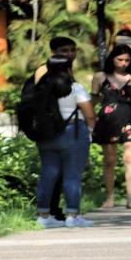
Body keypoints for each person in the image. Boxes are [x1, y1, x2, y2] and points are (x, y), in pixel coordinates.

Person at [34, 56, 96, 228]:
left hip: (46, 135)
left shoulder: (40, 88)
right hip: (72, 133)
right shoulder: (75, 88)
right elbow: (89, 114)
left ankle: (43, 216)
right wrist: (90, 132)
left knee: (47, 174)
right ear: (69, 69)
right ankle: (72, 215)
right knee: (72, 175)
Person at [91, 45, 131, 209]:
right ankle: (110, 198)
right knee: (110, 160)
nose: (123, 63)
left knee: (130, 157)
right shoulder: (100, 76)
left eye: (127, 60)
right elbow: (94, 99)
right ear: (112, 59)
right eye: (120, 60)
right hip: (108, 121)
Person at [34, 36, 79, 225]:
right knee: (51, 171)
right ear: (53, 53)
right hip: (51, 129)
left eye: (72, 50)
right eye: (64, 51)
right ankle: (48, 212)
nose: (69, 54)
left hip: (62, 127)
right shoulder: (44, 70)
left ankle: (54, 211)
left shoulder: (66, 69)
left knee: (59, 172)